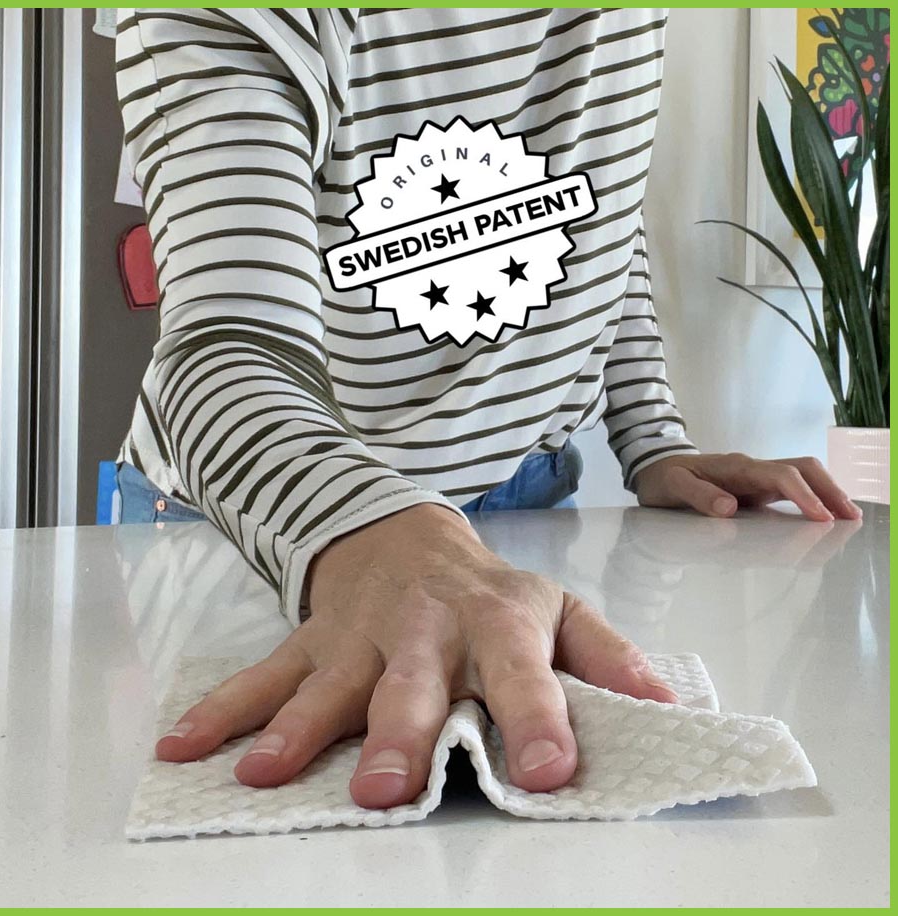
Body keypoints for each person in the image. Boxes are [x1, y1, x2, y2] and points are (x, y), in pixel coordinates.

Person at [112, 7, 862, 810]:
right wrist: (405, 547)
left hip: (526, 510)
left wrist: (652, 437)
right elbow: (225, 347)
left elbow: (593, 203)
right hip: (274, 528)